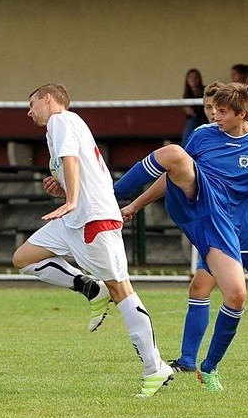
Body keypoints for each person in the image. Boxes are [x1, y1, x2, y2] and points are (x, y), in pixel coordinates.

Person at [112, 82, 248, 392]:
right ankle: (189, 360)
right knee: (200, 287)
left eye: (221, 111)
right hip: (213, 225)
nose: (214, 115)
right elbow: (175, 174)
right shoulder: (202, 136)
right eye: (211, 109)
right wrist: (134, 204)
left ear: (242, 113)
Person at [12, 83, 172, 398]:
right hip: (74, 221)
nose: (29, 112)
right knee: (23, 258)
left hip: (92, 219)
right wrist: (64, 188)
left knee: (122, 290)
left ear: (48, 99)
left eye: (32, 105)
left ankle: (155, 369)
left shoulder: (61, 120)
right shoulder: (59, 128)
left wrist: (71, 199)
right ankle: (89, 287)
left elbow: (71, 159)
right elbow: (78, 167)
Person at [180, 68, 207, 147]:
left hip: (206, 120)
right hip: (193, 123)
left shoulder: (205, 91)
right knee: (191, 122)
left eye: (195, 77)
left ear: (199, 79)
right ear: (187, 80)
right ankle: (184, 150)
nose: (193, 80)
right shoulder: (186, 95)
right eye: (191, 77)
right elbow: (189, 115)